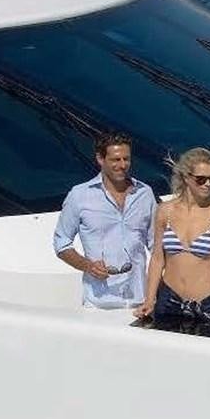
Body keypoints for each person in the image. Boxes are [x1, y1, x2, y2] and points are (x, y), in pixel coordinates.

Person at [135, 147, 210, 334]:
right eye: (201, 179)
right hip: (167, 301)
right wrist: (149, 300)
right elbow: (158, 259)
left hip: (204, 304)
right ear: (186, 177)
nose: (208, 184)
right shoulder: (164, 211)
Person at [53, 132, 156, 310]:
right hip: (98, 303)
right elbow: (61, 244)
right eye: (116, 160)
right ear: (100, 159)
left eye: (126, 159)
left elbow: (156, 245)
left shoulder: (145, 193)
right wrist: (87, 266)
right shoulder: (79, 195)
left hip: (140, 300)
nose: (123, 165)